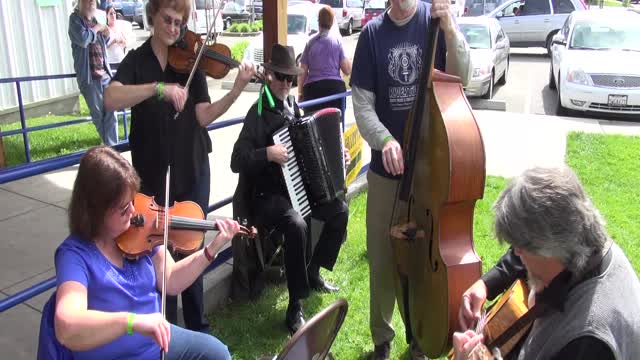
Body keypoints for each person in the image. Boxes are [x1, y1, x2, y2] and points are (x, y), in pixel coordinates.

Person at [104, 0, 255, 333]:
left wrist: (237, 89)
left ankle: (197, 325)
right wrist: (159, 89)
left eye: (179, 23)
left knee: (194, 244)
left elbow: (203, 116)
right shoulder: (137, 61)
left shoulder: (192, 61)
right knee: (159, 249)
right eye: (168, 21)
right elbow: (111, 98)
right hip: (153, 174)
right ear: (153, 17)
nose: (174, 29)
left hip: (193, 168)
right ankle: (167, 327)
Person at [349, 0, 471, 358]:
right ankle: (382, 340)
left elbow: (463, 76)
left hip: (433, 169)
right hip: (387, 175)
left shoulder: (433, 19)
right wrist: (385, 139)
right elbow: (362, 105)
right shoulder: (372, 34)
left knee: (423, 260)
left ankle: (420, 334)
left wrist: (450, 30)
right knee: (384, 259)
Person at [54, 145, 240, 359]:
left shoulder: (140, 230)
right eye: (124, 208)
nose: (134, 212)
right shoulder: (74, 255)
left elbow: (171, 279)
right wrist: (132, 321)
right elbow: (66, 326)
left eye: (132, 201)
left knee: (217, 354)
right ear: (96, 210)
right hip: (116, 354)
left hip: (156, 342)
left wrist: (211, 249)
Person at [454, 166, 640, 360]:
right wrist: (486, 284)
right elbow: (522, 253)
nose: (516, 253)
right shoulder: (587, 244)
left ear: (549, 248)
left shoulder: (587, 342)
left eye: (520, 248)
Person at [231, 44, 349, 335]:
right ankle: (295, 305)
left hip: (296, 190)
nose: (286, 83)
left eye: (290, 78)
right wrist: (267, 154)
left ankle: (312, 272)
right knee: (297, 225)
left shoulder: (293, 108)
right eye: (281, 77)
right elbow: (236, 160)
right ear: (270, 75)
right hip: (266, 196)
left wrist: (337, 155)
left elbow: (313, 148)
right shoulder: (256, 114)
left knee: (339, 211)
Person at [69, 0, 118, 146]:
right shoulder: (75, 20)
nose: (91, 3)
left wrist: (107, 32)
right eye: (87, 0)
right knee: (99, 116)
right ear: (80, 3)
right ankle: (112, 151)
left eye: (93, 1)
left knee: (112, 113)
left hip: (105, 75)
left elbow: (105, 41)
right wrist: (97, 28)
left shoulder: (96, 20)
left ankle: (112, 150)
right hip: (90, 78)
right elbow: (83, 40)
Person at [297, 6, 352, 114]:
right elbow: (347, 70)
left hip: (312, 90)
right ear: (332, 22)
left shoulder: (310, 43)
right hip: (334, 90)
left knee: (313, 126)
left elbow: (302, 72)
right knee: (334, 124)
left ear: (318, 22)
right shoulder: (337, 41)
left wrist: (300, 93)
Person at [105, 4, 127, 70]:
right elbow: (103, 46)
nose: (113, 15)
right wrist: (114, 41)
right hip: (111, 62)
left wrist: (123, 41)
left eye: (114, 13)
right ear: (106, 15)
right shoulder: (105, 29)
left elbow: (125, 44)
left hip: (121, 59)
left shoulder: (120, 28)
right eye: (111, 13)